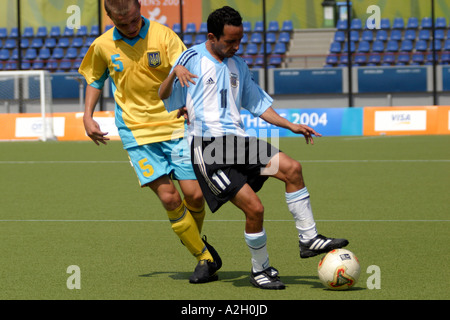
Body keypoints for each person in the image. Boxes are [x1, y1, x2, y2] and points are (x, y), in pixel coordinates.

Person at [159, 6, 349, 290]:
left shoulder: (239, 65)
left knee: (292, 169)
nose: (236, 47)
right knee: (255, 209)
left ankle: (308, 238)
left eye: (239, 41)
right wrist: (174, 73)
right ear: (212, 37)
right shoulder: (192, 58)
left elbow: (258, 104)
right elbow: (164, 96)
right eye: (230, 42)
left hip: (240, 144)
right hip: (209, 150)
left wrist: (290, 125)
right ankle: (260, 270)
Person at [78, 0, 221, 284]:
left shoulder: (164, 35)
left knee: (194, 195)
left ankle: (190, 237)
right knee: (170, 198)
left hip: (175, 125)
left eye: (134, 20)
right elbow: (95, 80)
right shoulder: (102, 45)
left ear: (139, 7)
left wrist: (188, 100)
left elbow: (186, 69)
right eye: (122, 24)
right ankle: (203, 256)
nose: (130, 27)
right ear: (109, 17)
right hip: (136, 131)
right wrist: (87, 116)